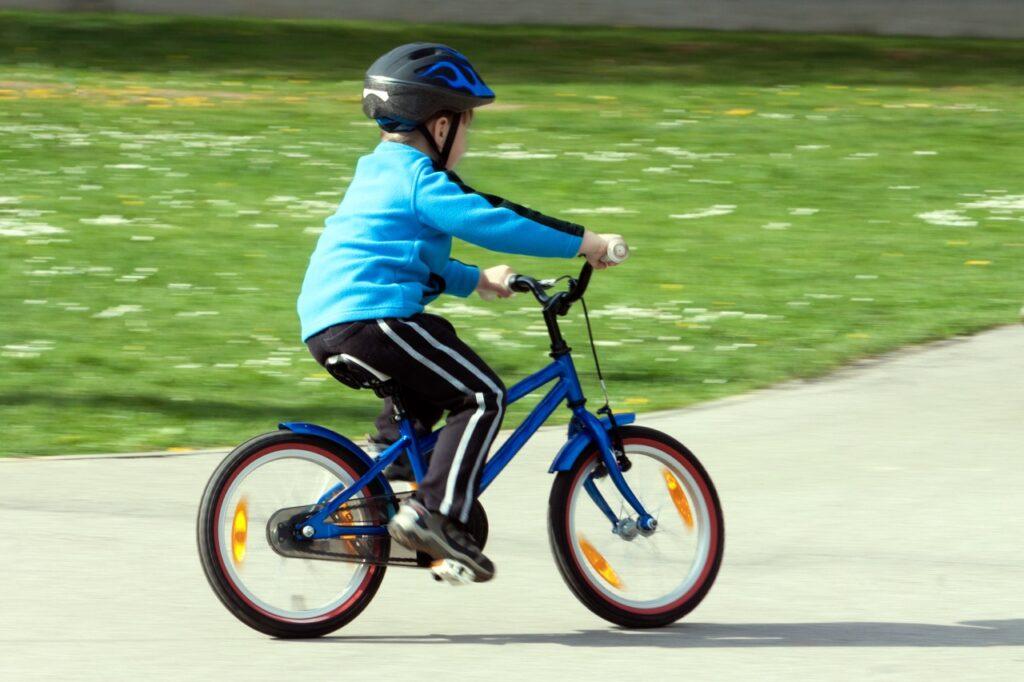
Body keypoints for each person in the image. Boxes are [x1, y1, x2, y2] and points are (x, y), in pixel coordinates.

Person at [298, 43, 620, 583]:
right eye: (467, 127)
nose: (467, 142)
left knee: (424, 383)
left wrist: (478, 280)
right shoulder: (422, 179)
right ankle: (437, 515)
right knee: (481, 395)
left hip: (333, 323)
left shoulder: (378, 172)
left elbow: (409, 255)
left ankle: (388, 492)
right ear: (440, 126)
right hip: (373, 320)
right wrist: (586, 242)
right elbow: (494, 219)